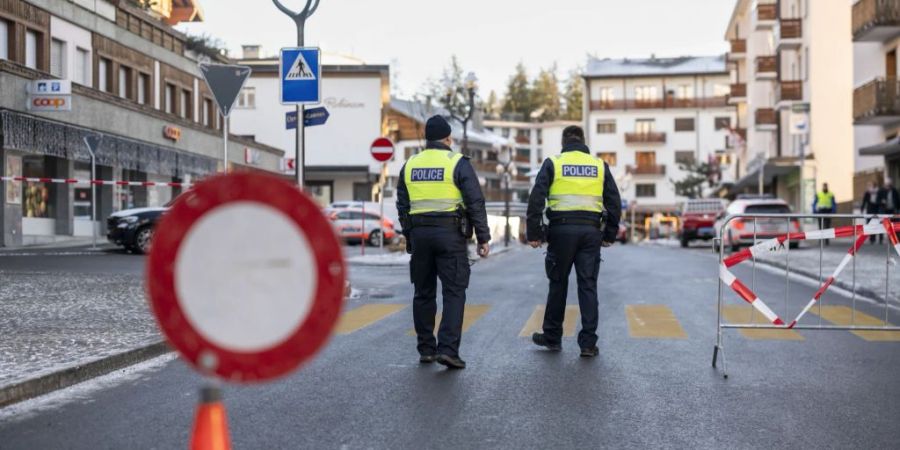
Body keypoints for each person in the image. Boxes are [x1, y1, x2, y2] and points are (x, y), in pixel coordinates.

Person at [396, 115, 491, 370]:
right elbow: (475, 201)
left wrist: (410, 234)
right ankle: (448, 350)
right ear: (448, 139)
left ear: (427, 139)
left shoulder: (410, 164)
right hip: (450, 235)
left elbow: (402, 204)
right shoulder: (457, 162)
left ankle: (426, 349)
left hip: (420, 235)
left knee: (423, 292)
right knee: (454, 292)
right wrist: (483, 237)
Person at [525, 125, 621, 357]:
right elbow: (614, 202)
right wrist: (609, 234)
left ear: (563, 142)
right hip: (590, 232)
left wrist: (534, 233)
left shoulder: (554, 162)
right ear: (583, 141)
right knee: (587, 285)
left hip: (561, 231)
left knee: (558, 283)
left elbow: (536, 198)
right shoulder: (599, 165)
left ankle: (552, 337)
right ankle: (588, 343)